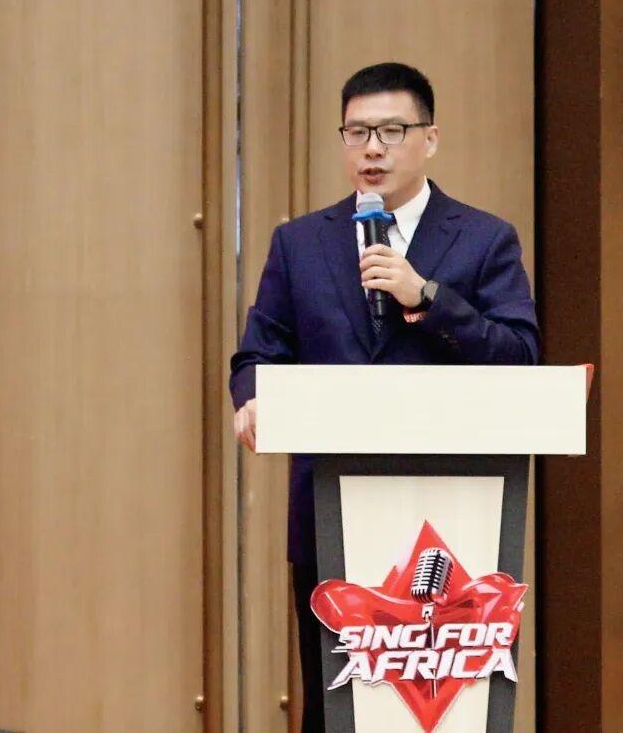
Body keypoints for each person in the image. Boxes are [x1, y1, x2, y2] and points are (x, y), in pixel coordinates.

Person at [229, 61, 540, 731]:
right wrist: (253, 398)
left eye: (392, 131)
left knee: (444, 711)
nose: (373, 149)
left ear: (430, 139)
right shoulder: (300, 243)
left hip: (454, 514)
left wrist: (424, 295)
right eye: (358, 132)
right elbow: (259, 353)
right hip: (331, 509)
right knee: (336, 706)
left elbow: (519, 356)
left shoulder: (484, 239)